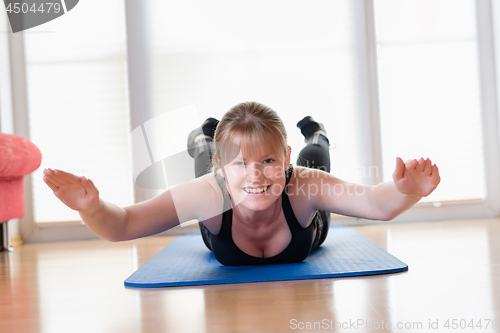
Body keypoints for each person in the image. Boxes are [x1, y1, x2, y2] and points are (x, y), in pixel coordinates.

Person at [43, 101, 440, 266]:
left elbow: (374, 203)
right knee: (205, 169)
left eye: (269, 161)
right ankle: (204, 139)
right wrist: (91, 208)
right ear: (223, 166)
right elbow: (124, 224)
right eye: (240, 163)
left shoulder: (301, 183)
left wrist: (405, 191)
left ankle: (316, 134)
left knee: (316, 157)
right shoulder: (209, 189)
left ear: (284, 159)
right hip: (216, 187)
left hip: (306, 222)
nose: (256, 175)